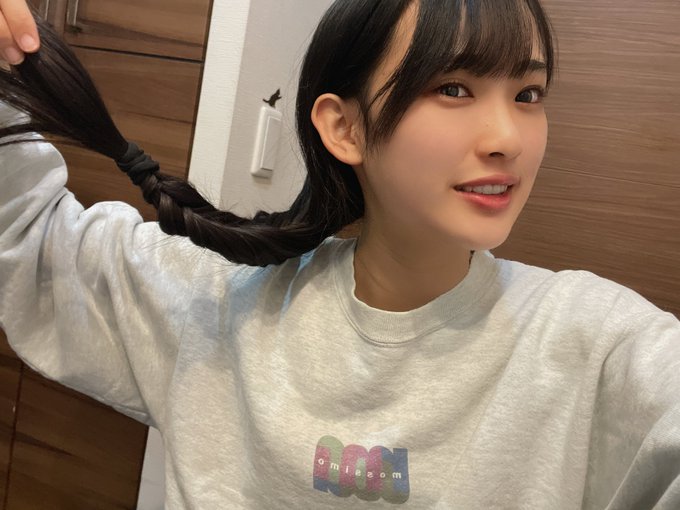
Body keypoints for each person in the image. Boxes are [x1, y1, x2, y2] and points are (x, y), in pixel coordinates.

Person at [0, 0, 678, 508]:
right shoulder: (217, 297)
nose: (508, 138)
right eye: (453, 89)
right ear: (344, 126)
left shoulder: (598, 346)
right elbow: (26, 237)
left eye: (528, 94)